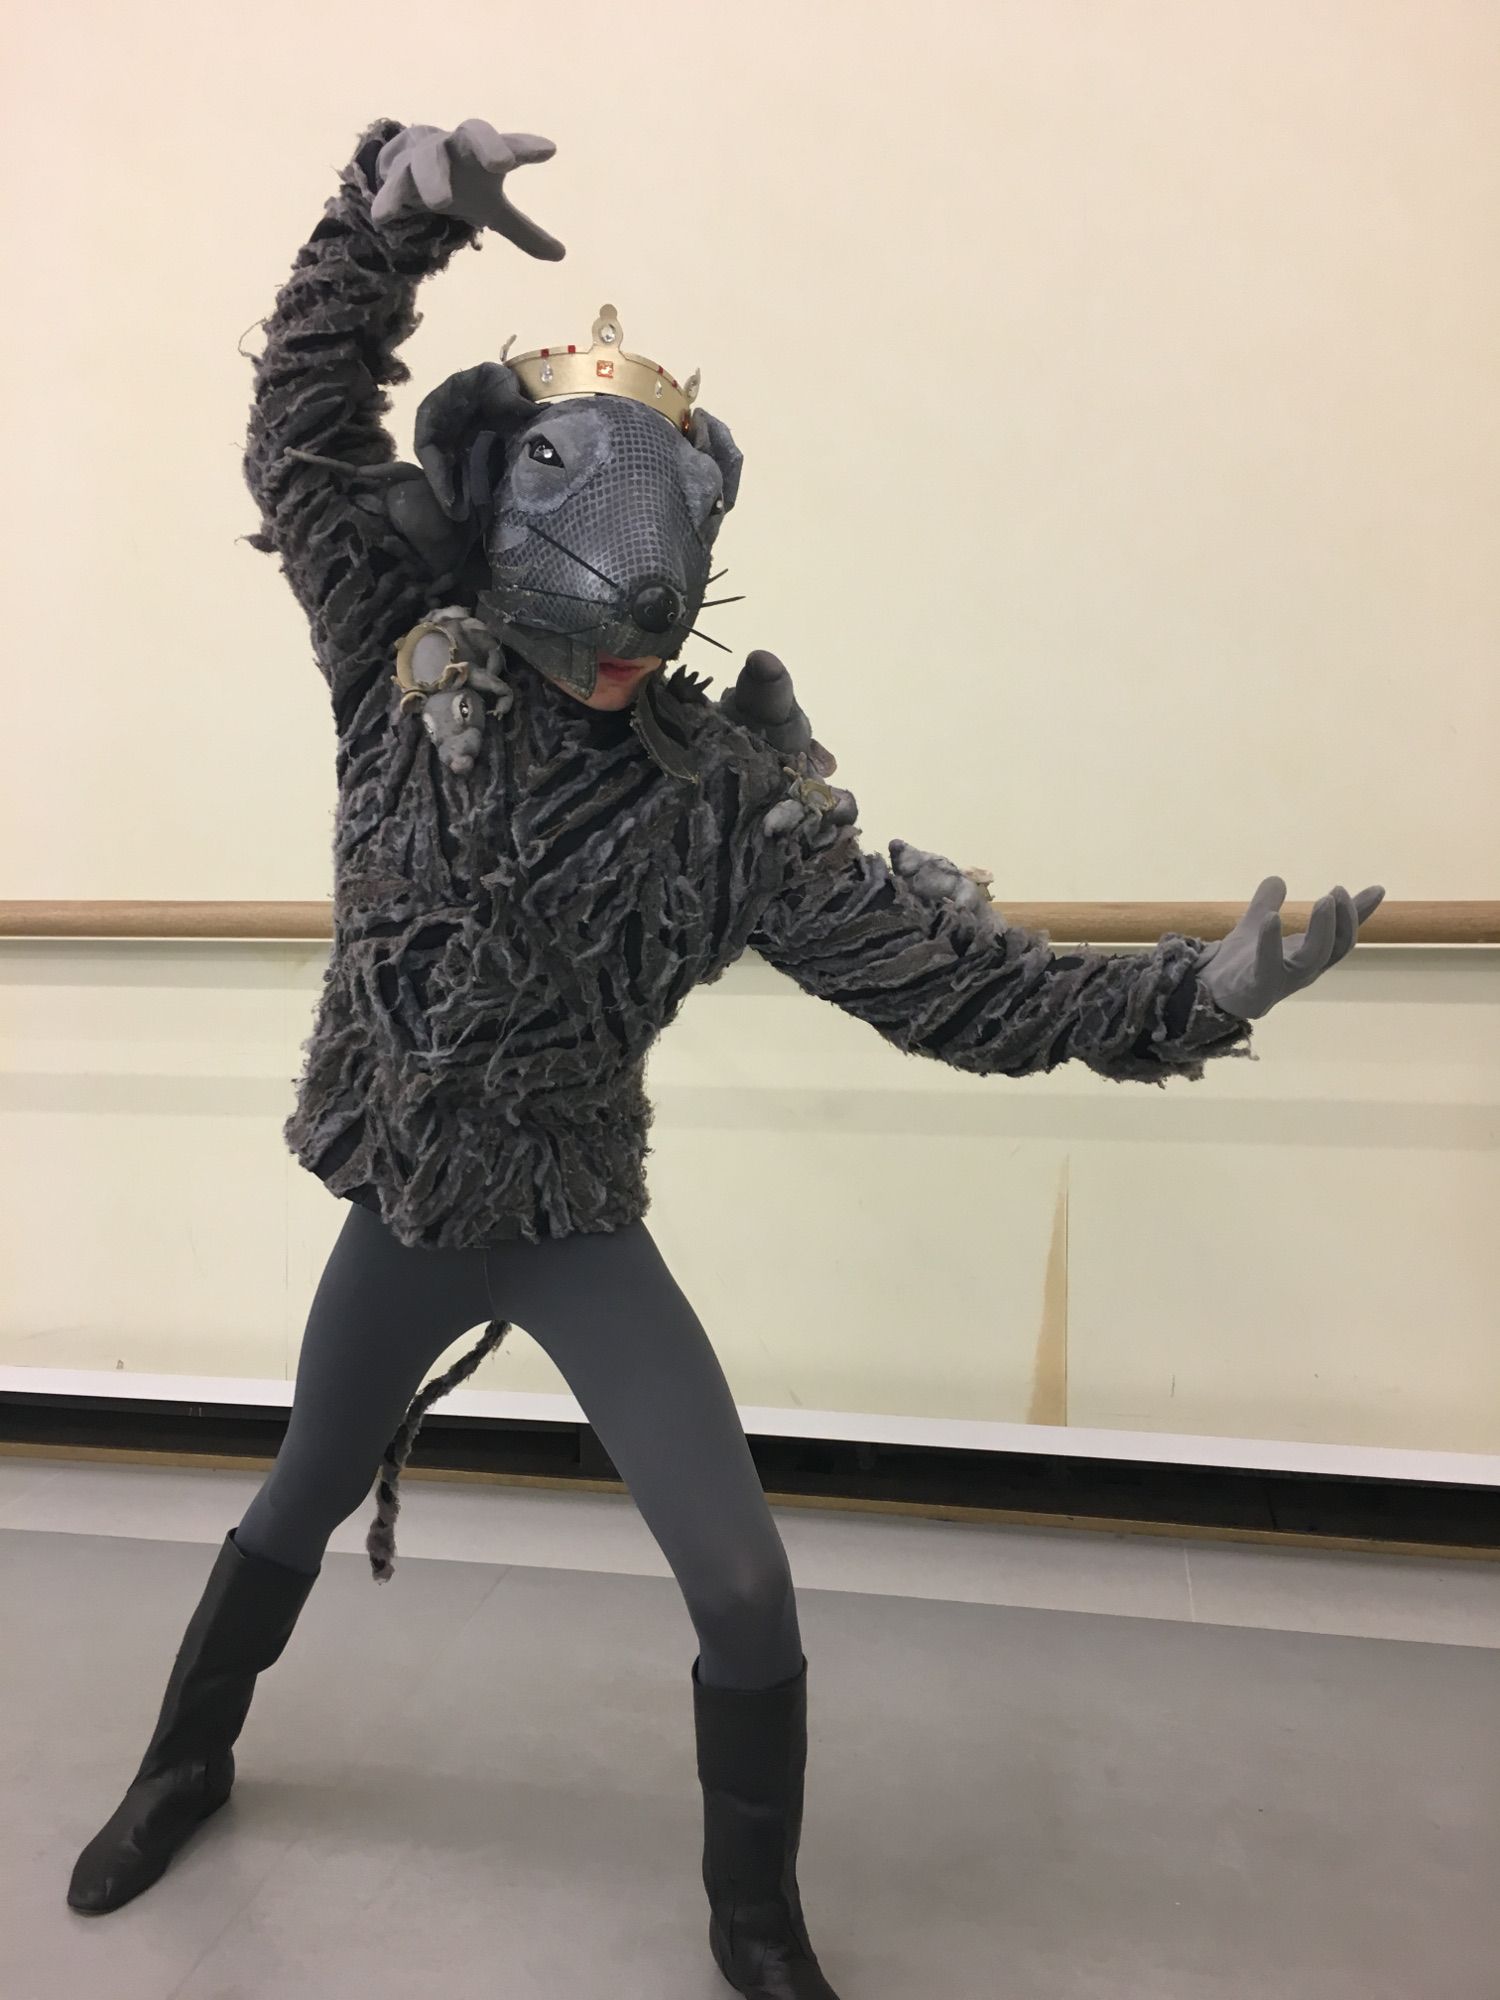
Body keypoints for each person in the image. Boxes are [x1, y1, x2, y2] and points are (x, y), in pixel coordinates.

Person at [65, 115, 1383, 2000]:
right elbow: (300, 430)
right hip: (404, 1216)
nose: (626, 650)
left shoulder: (717, 804)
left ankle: (754, 1916)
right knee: (296, 1492)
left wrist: (1187, 1001)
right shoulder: (397, 659)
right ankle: (184, 1760)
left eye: (658, 608)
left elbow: (950, 987)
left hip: (575, 1223)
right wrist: (388, 220)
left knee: (745, 1583)